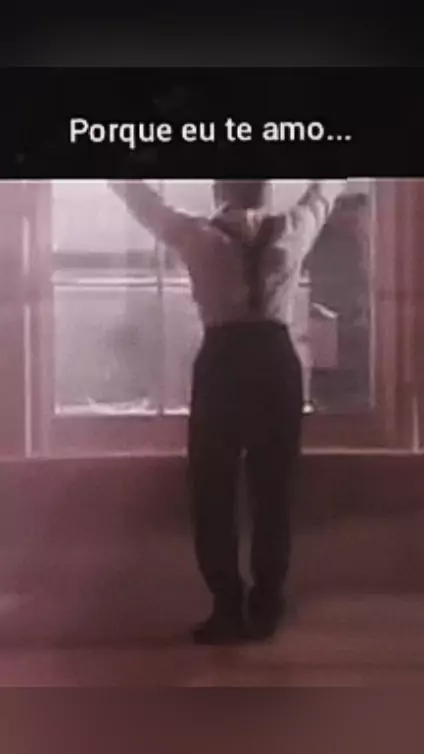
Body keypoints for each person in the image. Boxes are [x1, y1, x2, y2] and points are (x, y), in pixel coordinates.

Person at [109, 178, 345, 645]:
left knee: (212, 491)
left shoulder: (199, 236)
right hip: (276, 362)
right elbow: (324, 193)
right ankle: (267, 604)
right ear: (266, 192)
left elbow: (144, 204)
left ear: (220, 192)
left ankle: (227, 605)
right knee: (273, 489)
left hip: (222, 363)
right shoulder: (293, 228)